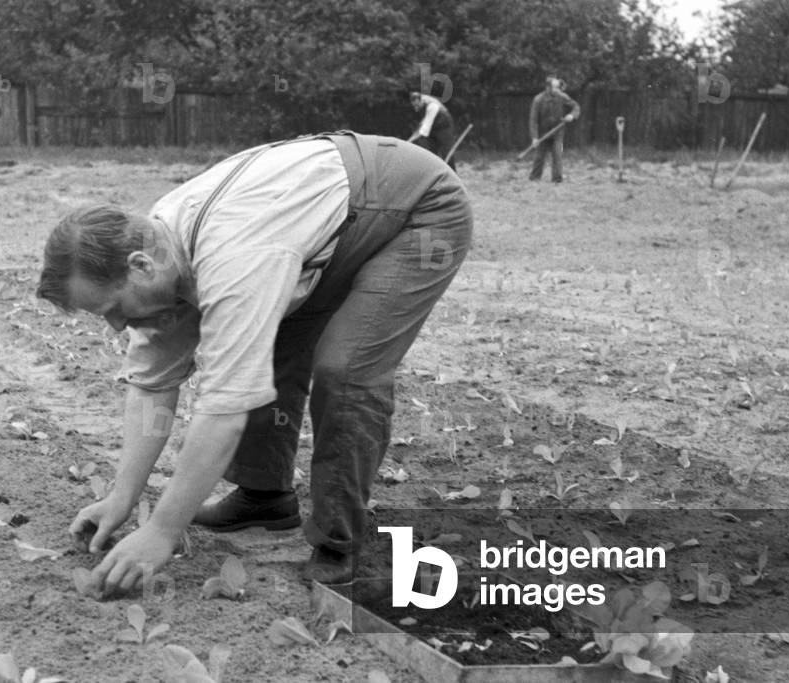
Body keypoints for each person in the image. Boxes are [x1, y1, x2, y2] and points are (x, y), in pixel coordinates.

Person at [36, 131, 472, 594]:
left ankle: (338, 540)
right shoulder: (159, 251)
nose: (117, 326)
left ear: (141, 266)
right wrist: (121, 498)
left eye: (112, 308)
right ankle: (264, 497)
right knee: (267, 341)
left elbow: (226, 407)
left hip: (416, 209)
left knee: (345, 369)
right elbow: (151, 385)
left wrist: (161, 531)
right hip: (327, 224)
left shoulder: (235, 257)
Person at [528, 75, 580, 183]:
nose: (558, 90)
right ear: (548, 88)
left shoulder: (562, 97)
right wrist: (534, 137)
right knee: (539, 157)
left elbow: (576, 106)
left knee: (558, 154)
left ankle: (557, 180)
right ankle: (534, 178)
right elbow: (533, 120)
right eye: (555, 87)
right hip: (543, 132)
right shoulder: (538, 100)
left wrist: (572, 115)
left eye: (558, 87)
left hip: (558, 132)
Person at [407, 91, 457, 170]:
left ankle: (453, 177)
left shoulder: (432, 106)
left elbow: (424, 129)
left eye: (417, 105)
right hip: (434, 127)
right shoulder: (421, 101)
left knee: (447, 154)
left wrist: (410, 141)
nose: (415, 108)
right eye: (414, 106)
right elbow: (421, 125)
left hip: (445, 127)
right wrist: (409, 140)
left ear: (421, 100)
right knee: (431, 154)